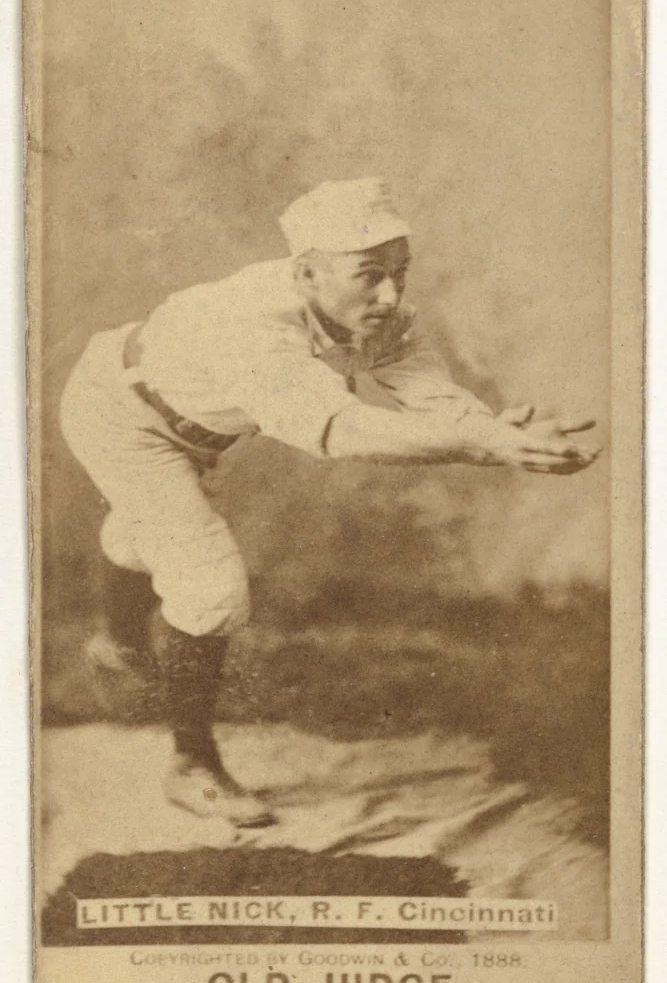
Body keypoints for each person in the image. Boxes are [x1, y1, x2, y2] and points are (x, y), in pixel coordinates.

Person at [60, 177, 600, 827]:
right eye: (368, 275)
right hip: (120, 415)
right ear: (306, 272)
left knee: (146, 534)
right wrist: (482, 444)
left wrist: (498, 433)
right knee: (209, 585)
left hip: (189, 429)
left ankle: (116, 644)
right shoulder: (250, 323)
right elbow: (340, 431)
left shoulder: (380, 313)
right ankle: (191, 765)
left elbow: (432, 395)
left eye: (399, 272)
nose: (390, 294)